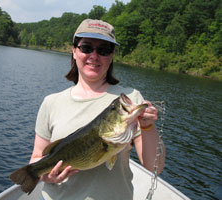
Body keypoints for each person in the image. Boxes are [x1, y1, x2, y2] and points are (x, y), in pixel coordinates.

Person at [29, 19, 165, 200]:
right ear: (74, 50)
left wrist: (148, 127)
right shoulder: (51, 102)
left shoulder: (130, 99)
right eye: (86, 47)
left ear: (112, 55)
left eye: (103, 50)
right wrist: (46, 175)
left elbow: (153, 165)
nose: (94, 56)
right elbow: (37, 157)